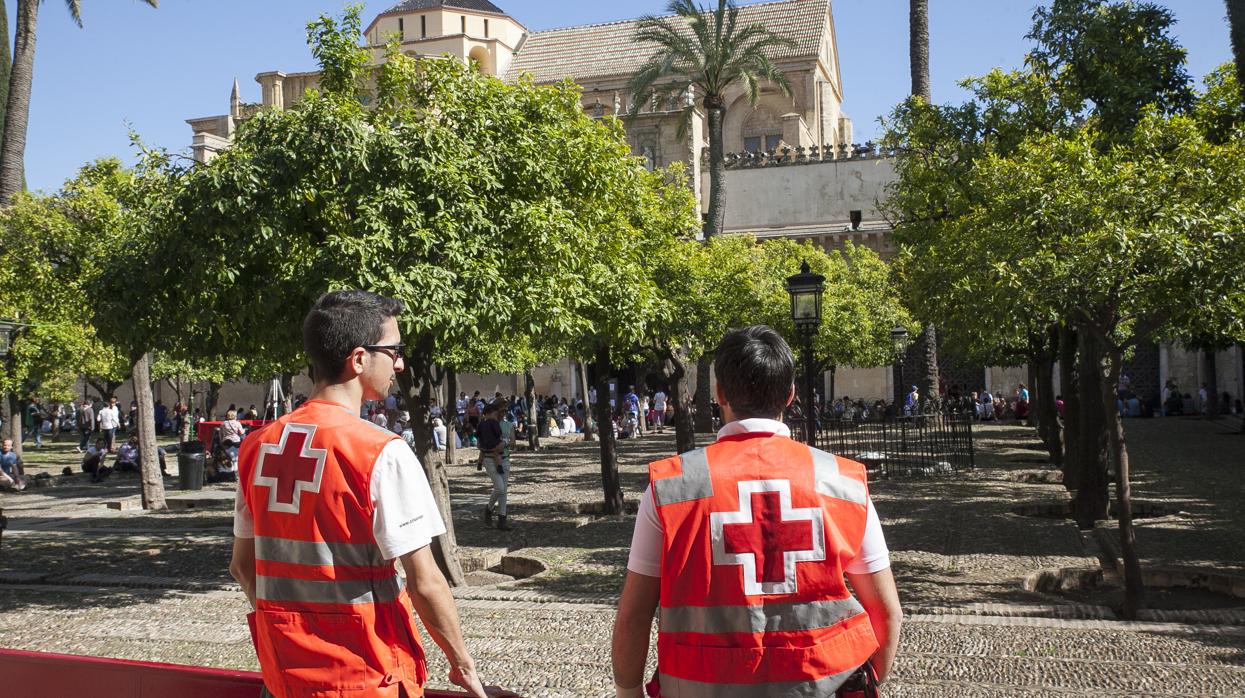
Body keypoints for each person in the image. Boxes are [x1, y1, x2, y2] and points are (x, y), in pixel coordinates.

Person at [230, 290, 504, 698]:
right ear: (359, 359)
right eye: (393, 350)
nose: (400, 363)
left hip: (283, 676)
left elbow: (243, 568)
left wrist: (288, 635)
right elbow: (425, 583)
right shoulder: (380, 452)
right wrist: (464, 667)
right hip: (363, 677)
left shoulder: (257, 447)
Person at [612, 325, 902, 698]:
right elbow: (886, 611)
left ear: (718, 393)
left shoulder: (671, 488)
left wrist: (628, 693)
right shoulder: (843, 482)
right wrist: (860, 685)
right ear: (791, 394)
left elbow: (634, 615)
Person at [476, 402, 511, 531]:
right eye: (499, 411)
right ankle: (489, 509)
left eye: (503, 411)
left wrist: (504, 443)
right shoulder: (489, 424)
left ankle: (502, 519)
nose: (501, 414)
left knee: (503, 491)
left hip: (503, 458)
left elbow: (510, 441)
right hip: (490, 458)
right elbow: (480, 443)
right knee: (500, 488)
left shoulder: (507, 425)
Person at [215, 410, 247, 483]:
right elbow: (241, 432)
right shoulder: (237, 423)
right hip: (236, 443)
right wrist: (245, 430)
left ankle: (228, 474)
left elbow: (220, 435)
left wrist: (222, 442)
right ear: (234, 416)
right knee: (236, 459)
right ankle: (236, 476)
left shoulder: (223, 424)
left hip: (226, 443)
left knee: (228, 458)